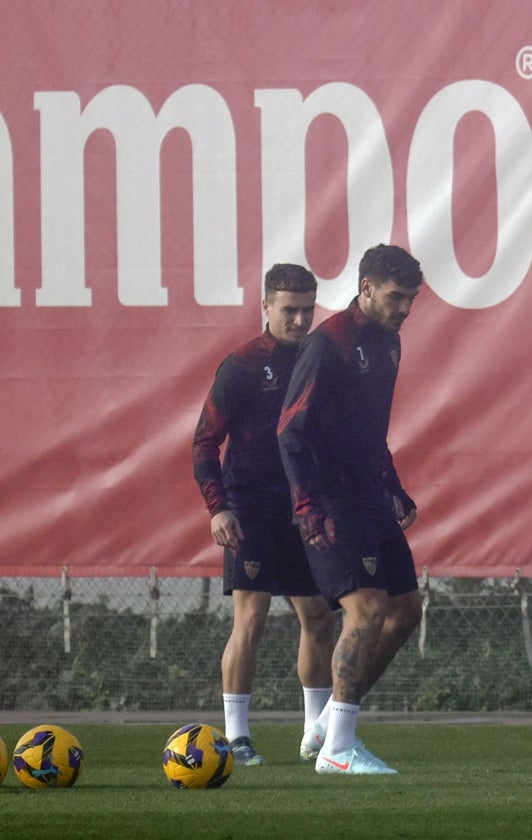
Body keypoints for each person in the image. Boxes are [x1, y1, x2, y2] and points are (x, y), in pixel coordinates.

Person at [278, 244, 425, 775]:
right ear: (365, 289)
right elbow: (290, 431)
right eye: (395, 297)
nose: (405, 308)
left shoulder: (390, 343)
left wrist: (393, 486)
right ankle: (338, 749)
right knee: (364, 610)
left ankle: (327, 725)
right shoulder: (330, 343)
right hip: (331, 501)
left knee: (406, 611)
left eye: (411, 299)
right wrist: (307, 503)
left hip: (369, 496)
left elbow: (370, 433)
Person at [192, 263, 336, 766]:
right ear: (266, 308)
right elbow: (204, 443)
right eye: (288, 310)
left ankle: (314, 734)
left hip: (305, 509)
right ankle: (237, 738)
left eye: (306, 309)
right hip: (250, 507)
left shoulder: (321, 358)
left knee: (319, 617)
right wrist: (219, 508)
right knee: (251, 618)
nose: (299, 319)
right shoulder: (242, 365)